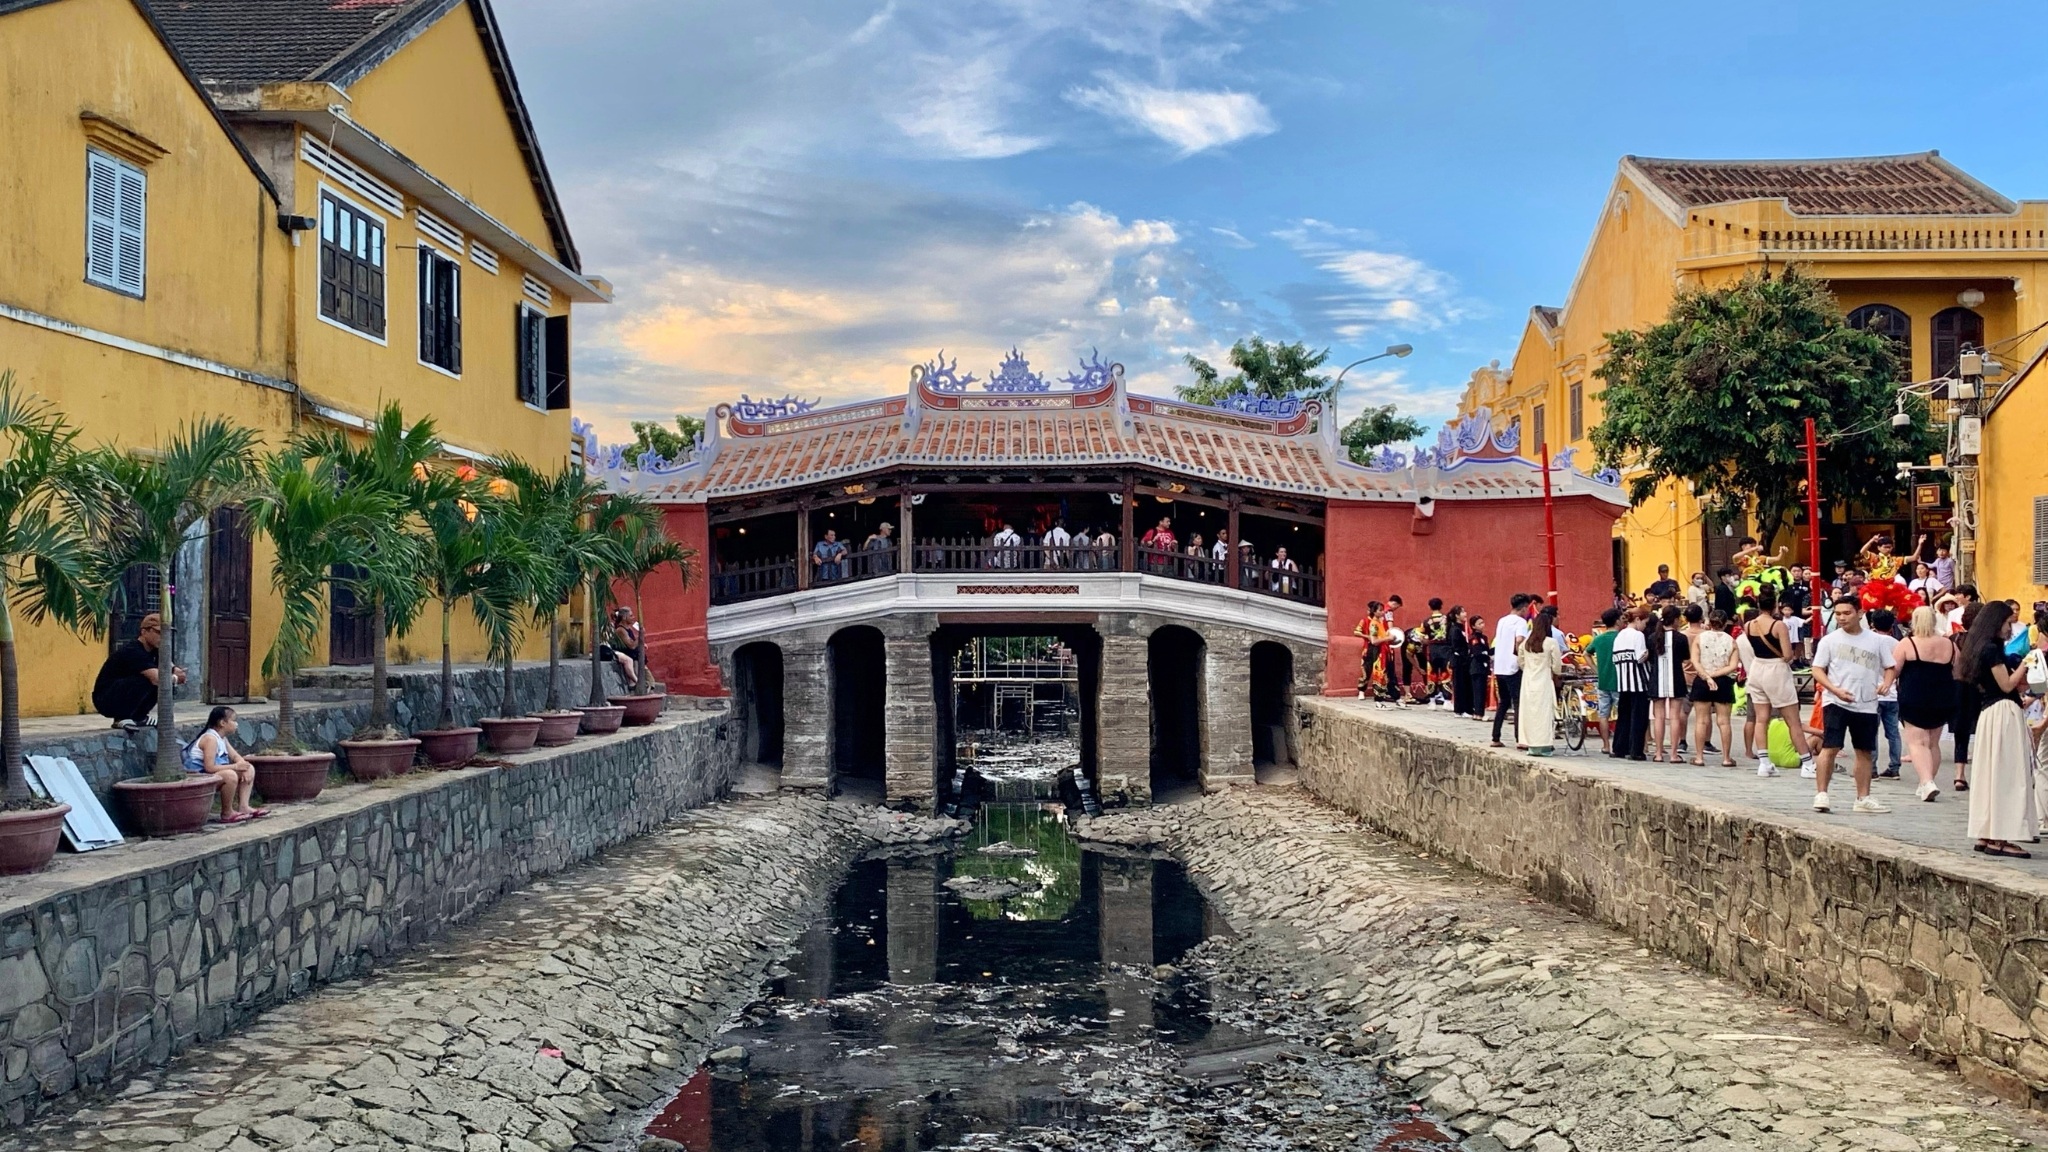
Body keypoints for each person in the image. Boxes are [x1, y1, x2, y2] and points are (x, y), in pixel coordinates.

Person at [1809, 599, 1899, 815]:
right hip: (1837, 700)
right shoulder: (1829, 641)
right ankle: (1822, 793)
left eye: (1847, 613)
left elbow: (1890, 667)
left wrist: (1886, 684)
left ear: (1860, 613)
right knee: (1830, 746)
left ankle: (1863, 797)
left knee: (1864, 751)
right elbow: (1817, 669)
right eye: (1838, 613)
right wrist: (1834, 689)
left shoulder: (1877, 641)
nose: (1842, 617)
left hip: (1866, 702)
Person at [1961, 601, 2036, 857]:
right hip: (2003, 711)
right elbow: (2006, 685)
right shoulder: (1992, 649)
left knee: (1990, 774)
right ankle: (2001, 836)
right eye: (2007, 623)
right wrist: (2028, 662)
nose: (2009, 628)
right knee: (2007, 775)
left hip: (1990, 713)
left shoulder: (1978, 648)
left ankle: (1987, 832)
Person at [1739, 588, 1812, 779]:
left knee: (1760, 719)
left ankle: (1764, 763)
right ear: (1775, 606)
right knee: (1792, 720)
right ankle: (1807, 763)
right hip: (1776, 670)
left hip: (1756, 669)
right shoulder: (1778, 625)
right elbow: (1788, 655)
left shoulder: (1748, 625)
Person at [1893, 605, 1955, 803]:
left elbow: (1894, 669)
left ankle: (1927, 782)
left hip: (1914, 695)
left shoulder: (1907, 643)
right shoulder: (1949, 644)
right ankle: (1926, 782)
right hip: (1942, 696)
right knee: (1933, 742)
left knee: (1917, 742)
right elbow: (1959, 669)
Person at [92, 612, 186, 730]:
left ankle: (139, 716)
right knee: (148, 680)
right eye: (158, 633)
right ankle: (121, 717)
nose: (162, 637)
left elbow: (171, 668)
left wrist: (177, 672)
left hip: (123, 694)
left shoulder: (156, 651)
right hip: (106, 699)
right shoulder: (133, 650)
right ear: (144, 632)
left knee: (160, 680)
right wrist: (175, 678)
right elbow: (157, 678)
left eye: (166, 633)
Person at [182, 706, 263, 824]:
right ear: (222, 723)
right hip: (200, 777)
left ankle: (244, 806)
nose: (236, 724)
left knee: (249, 768)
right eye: (234, 721)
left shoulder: (222, 739)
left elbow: (236, 757)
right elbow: (209, 768)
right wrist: (235, 767)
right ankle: (227, 812)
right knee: (230, 775)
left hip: (212, 775)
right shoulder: (210, 739)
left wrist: (243, 766)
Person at [1689, 609, 1739, 767]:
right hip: (1723, 681)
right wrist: (1716, 674)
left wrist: (1707, 676)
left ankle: (1699, 757)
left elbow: (1695, 661)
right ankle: (1726, 758)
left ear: (1709, 622)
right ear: (1725, 624)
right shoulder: (1731, 640)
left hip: (1702, 680)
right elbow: (1732, 666)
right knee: (1724, 722)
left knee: (1701, 721)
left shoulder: (1700, 638)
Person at [1517, 608, 1564, 756]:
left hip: (1528, 681)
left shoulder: (1525, 643)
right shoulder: (1551, 643)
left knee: (1529, 713)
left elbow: (1521, 662)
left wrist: (1530, 669)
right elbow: (1557, 666)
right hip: (1543, 680)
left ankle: (1530, 744)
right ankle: (1544, 745)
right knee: (1543, 713)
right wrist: (1555, 672)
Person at [1490, 594, 1534, 748]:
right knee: (1518, 702)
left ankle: (1495, 736)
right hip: (1513, 666)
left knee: (1504, 702)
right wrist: (1522, 658)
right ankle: (1520, 738)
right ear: (1523, 608)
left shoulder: (1502, 620)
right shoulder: (1521, 622)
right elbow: (1520, 640)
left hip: (1500, 666)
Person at [1646, 609, 1689, 762]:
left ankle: (1658, 753)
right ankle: (1673, 754)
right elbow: (1685, 658)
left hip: (1656, 680)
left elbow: (1650, 658)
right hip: (1676, 679)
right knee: (1675, 717)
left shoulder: (1652, 637)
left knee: (1659, 717)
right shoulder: (1681, 638)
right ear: (1676, 620)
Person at [1868, 607, 1905, 780]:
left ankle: (1872, 768)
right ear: (1892, 625)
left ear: (1872, 624)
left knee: (1871, 732)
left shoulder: (1869, 641)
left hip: (1872, 692)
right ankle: (1895, 767)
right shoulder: (1897, 644)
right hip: (1891, 693)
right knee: (1893, 733)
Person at [1612, 609, 1651, 761]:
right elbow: (1640, 657)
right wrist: (1649, 652)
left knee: (1624, 715)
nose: (1645, 627)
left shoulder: (1619, 635)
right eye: (1644, 623)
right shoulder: (1638, 635)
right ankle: (1636, 750)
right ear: (1638, 620)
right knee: (1639, 717)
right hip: (1639, 681)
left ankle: (1619, 747)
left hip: (1623, 680)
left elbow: (1615, 658)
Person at [1588, 608, 1621, 755]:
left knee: (1603, 714)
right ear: (1617, 621)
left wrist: (1596, 670)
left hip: (1603, 680)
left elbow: (1586, 653)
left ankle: (1606, 745)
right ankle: (1619, 743)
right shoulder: (1620, 637)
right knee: (1621, 713)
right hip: (1619, 680)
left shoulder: (1599, 639)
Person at [1447, 606, 1478, 718]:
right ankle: (1460, 709)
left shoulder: (1462, 628)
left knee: (1466, 684)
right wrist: (1465, 656)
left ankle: (1467, 708)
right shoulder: (1455, 629)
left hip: (1464, 661)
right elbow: (1456, 647)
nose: (1465, 614)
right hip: (1459, 661)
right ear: (1456, 616)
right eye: (1463, 612)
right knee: (1460, 685)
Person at [1422, 599, 1453, 706]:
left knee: (1432, 674)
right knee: (1446, 673)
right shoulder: (1447, 620)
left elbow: (1422, 637)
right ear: (1441, 606)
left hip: (1433, 649)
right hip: (1445, 649)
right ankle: (1447, 701)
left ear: (1430, 607)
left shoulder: (1426, 622)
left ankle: (1432, 701)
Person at [606, 606, 644, 690]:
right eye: (631, 616)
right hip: (623, 652)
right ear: (624, 617)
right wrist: (640, 637)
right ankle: (636, 682)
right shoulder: (621, 630)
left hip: (631, 653)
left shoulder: (628, 629)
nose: (633, 618)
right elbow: (632, 645)